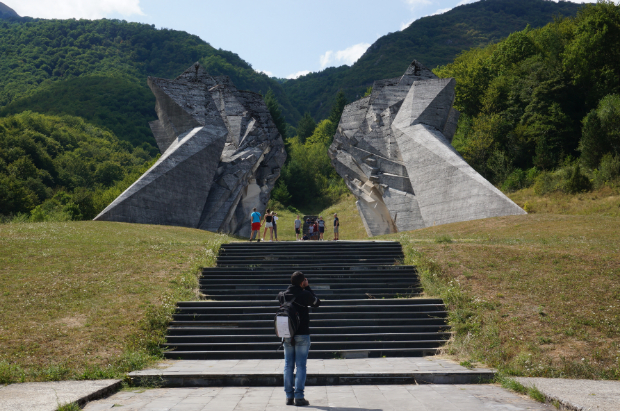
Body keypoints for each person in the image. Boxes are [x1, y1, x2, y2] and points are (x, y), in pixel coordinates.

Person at [278, 271, 320, 406]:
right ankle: (299, 397)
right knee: (301, 365)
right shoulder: (305, 294)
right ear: (302, 282)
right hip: (302, 334)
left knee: (288, 365)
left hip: (287, 334)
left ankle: (289, 397)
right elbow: (317, 302)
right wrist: (307, 287)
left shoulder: (282, 295)